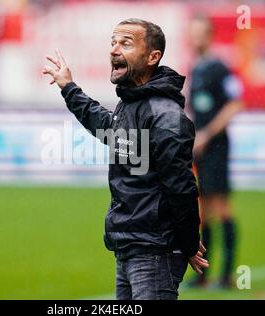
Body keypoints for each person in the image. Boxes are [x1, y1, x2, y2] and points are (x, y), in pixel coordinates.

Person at [43, 18, 208, 300]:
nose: (114, 49)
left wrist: (189, 243)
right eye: (113, 43)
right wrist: (69, 88)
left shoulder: (164, 115)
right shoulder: (133, 103)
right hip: (131, 247)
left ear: (152, 57)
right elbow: (107, 128)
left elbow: (181, 187)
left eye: (126, 43)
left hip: (155, 252)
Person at [188, 15, 244, 288]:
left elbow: (235, 104)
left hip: (216, 147)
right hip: (198, 147)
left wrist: (208, 134)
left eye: (199, 33)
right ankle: (203, 276)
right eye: (192, 33)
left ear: (209, 36)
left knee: (221, 207)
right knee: (203, 211)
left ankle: (227, 274)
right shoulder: (195, 68)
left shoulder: (219, 67)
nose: (195, 38)